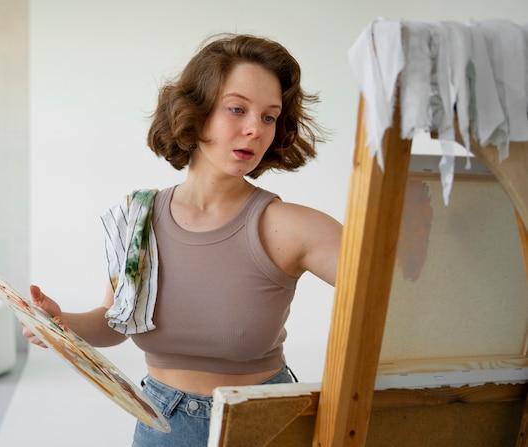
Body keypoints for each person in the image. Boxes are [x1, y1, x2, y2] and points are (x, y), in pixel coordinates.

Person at [22, 33, 342, 446]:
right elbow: (115, 321)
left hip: (262, 424)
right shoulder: (139, 218)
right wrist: (60, 322)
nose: (254, 129)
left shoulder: (294, 228)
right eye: (237, 109)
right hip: (160, 422)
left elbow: (395, 299)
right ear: (198, 111)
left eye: (269, 116)